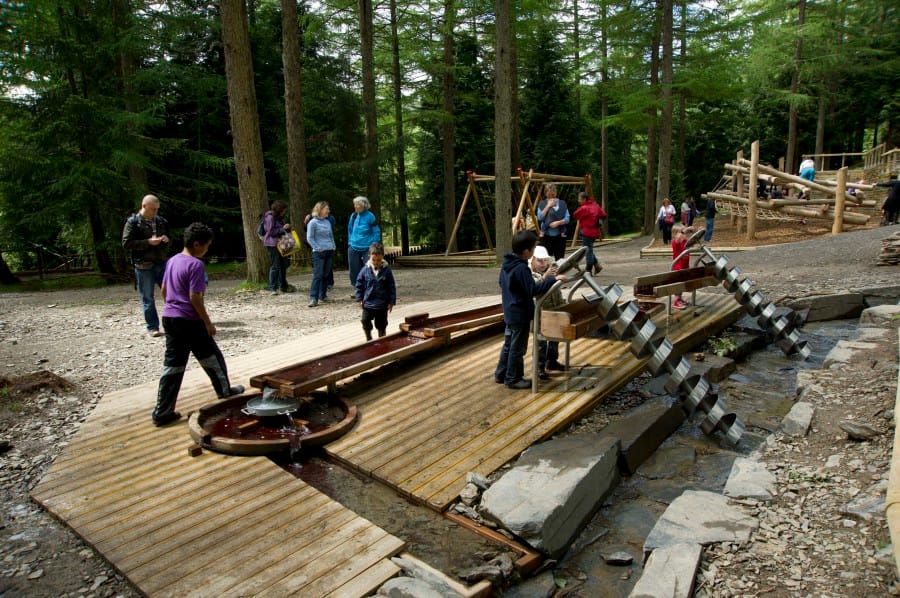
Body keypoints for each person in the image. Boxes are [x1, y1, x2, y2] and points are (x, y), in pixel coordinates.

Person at [152, 223, 244, 427]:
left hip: (170, 318)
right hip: (189, 320)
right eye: (207, 246)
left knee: (173, 365)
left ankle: (162, 411)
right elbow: (195, 297)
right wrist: (208, 322)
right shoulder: (195, 265)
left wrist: (172, 307)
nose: (207, 250)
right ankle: (225, 391)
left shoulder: (173, 260)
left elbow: (164, 290)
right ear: (196, 244)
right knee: (212, 357)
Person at [494, 230, 567, 390]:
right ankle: (513, 378)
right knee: (517, 348)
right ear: (526, 251)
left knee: (508, 344)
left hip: (509, 311)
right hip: (520, 313)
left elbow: (502, 283)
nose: (534, 251)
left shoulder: (507, 264)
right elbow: (533, 289)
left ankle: (501, 373)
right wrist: (552, 279)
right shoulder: (521, 268)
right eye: (533, 249)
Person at [122, 194, 171, 337]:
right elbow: (126, 243)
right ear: (144, 206)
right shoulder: (133, 222)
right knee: (148, 298)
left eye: (157, 209)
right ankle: (153, 327)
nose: (155, 212)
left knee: (171, 293)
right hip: (143, 266)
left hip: (161, 263)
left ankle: (175, 323)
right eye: (153, 209)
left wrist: (166, 241)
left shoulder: (161, 221)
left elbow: (171, 240)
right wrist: (148, 242)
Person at [530, 245, 566, 379]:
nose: (543, 264)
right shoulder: (531, 274)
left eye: (545, 260)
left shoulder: (551, 271)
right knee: (541, 341)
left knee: (555, 338)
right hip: (541, 313)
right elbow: (535, 287)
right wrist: (546, 276)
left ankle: (552, 361)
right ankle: (539, 367)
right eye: (539, 260)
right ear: (533, 260)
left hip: (555, 308)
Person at [354, 242, 397, 341]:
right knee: (365, 320)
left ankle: (382, 338)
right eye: (373, 260)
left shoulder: (387, 270)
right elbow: (359, 284)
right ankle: (368, 337)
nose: (376, 262)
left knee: (381, 323)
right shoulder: (365, 270)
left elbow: (391, 286)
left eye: (378, 260)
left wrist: (391, 301)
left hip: (382, 303)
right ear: (369, 256)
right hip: (368, 302)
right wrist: (359, 298)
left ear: (382, 257)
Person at [307, 201, 336, 307]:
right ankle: (313, 297)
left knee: (325, 275)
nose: (328, 211)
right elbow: (310, 238)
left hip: (329, 251)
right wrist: (317, 248)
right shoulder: (313, 222)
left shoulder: (327, 222)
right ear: (320, 210)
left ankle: (322, 295)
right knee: (318, 275)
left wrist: (333, 246)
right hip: (319, 253)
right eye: (326, 209)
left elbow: (330, 236)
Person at [261, 200, 294, 295]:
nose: (285, 212)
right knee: (275, 266)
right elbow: (270, 232)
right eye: (284, 210)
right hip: (272, 244)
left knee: (284, 265)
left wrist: (286, 228)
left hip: (282, 243)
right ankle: (272, 287)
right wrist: (282, 228)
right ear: (280, 209)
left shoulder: (280, 217)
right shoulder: (270, 217)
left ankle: (282, 285)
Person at [347, 196, 381, 288]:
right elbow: (350, 230)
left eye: (357, 205)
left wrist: (374, 244)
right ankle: (357, 288)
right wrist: (350, 242)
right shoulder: (353, 216)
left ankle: (371, 287)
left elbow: (376, 230)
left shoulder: (370, 216)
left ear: (364, 205)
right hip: (353, 246)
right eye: (355, 204)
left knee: (370, 268)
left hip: (367, 247)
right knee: (353, 269)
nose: (355, 206)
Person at [572, 191, 605, 275]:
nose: (578, 201)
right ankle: (597, 265)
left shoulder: (584, 208)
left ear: (584, 199)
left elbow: (575, 215)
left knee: (587, 251)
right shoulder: (596, 206)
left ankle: (588, 269)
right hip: (595, 232)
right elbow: (603, 214)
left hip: (587, 232)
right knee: (589, 249)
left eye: (579, 199)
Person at [536, 184, 570, 260]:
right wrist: (548, 206)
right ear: (545, 193)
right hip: (546, 237)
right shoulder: (542, 203)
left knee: (560, 259)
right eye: (549, 193)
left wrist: (557, 223)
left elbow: (567, 219)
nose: (552, 195)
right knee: (545, 259)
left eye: (553, 193)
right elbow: (540, 217)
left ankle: (558, 272)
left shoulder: (562, 203)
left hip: (559, 237)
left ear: (556, 192)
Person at [671, 225, 693, 310]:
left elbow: (693, 241)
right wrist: (685, 230)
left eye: (684, 233)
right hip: (678, 267)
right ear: (675, 234)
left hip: (685, 266)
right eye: (681, 232)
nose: (684, 234)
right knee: (678, 285)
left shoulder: (685, 241)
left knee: (682, 284)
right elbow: (678, 239)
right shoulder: (675, 242)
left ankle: (680, 299)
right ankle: (676, 301)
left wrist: (698, 232)